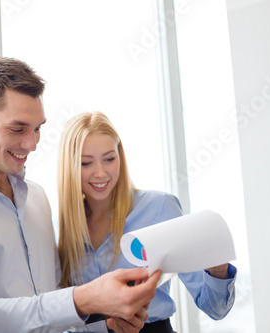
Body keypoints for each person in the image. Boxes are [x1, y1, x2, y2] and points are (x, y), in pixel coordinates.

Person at [0, 56, 162, 333]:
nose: (31, 144)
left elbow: (50, 316)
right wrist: (83, 298)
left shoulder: (37, 198)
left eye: (38, 128)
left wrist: (107, 325)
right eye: (18, 129)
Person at [57, 111, 237, 333]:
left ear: (120, 157)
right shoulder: (57, 230)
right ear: (69, 166)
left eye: (109, 159)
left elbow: (214, 309)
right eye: (86, 163)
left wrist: (217, 272)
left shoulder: (159, 208)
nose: (100, 173)